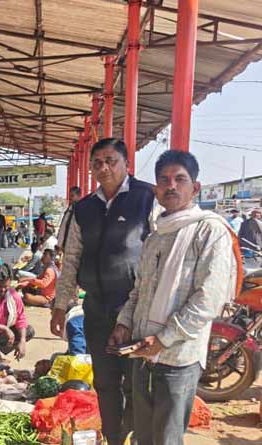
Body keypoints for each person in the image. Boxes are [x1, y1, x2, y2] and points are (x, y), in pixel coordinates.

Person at [110, 151, 236, 445]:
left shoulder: (209, 230)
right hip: (141, 352)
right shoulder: (156, 236)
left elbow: (209, 299)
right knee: (143, 435)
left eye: (180, 179)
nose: (171, 186)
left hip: (178, 356)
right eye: (164, 180)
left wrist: (164, 338)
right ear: (156, 189)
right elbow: (139, 290)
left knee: (167, 437)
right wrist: (123, 323)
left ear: (196, 188)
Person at [51, 138, 156, 445]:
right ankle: (113, 437)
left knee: (136, 382)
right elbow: (70, 260)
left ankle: (136, 437)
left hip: (137, 309)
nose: (103, 168)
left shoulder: (147, 198)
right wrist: (60, 305)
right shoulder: (83, 208)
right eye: (97, 162)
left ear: (126, 164)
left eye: (111, 160)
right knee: (105, 380)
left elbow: (161, 251)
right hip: (97, 307)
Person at [57, 186, 82, 251]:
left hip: (76, 246)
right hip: (68, 245)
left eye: (72, 196)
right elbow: (64, 226)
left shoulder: (82, 210)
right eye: (70, 196)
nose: (70, 198)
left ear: (79, 195)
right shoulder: (70, 209)